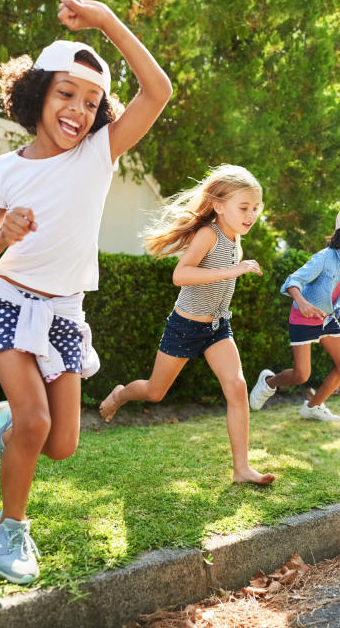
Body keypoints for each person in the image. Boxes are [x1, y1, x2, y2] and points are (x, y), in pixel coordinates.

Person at [0, 0, 171, 584]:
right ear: (36, 93)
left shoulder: (98, 154)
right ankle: (9, 530)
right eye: (66, 93)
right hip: (3, 300)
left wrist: (106, 20)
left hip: (62, 312)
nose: (79, 111)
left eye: (91, 102)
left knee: (60, 445)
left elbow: (157, 92)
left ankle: (2, 423)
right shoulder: (6, 170)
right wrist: (2, 235)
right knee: (38, 424)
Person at [98, 164, 276, 486]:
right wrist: (232, 272)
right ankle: (120, 395)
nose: (251, 215)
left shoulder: (235, 236)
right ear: (219, 206)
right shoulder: (209, 234)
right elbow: (181, 275)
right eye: (244, 207)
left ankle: (241, 469)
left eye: (255, 208)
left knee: (236, 387)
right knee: (155, 392)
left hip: (217, 329)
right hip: (185, 327)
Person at [248, 206, 340, 421]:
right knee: (301, 375)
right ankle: (268, 382)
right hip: (303, 318)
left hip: (327, 319)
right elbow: (293, 281)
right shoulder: (325, 257)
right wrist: (301, 303)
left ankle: (313, 406)